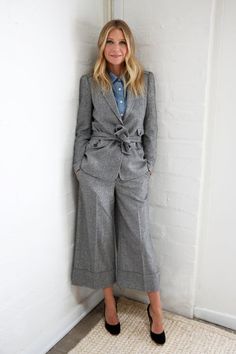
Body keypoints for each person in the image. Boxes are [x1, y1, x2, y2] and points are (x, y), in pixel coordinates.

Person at [71, 19, 166, 345]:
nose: (115, 48)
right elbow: (82, 128)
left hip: (133, 168)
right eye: (110, 42)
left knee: (140, 238)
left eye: (122, 42)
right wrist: (79, 167)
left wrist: (148, 166)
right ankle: (109, 304)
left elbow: (152, 129)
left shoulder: (145, 80)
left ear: (129, 47)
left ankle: (156, 306)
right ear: (102, 46)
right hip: (96, 168)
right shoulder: (90, 82)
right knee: (98, 238)